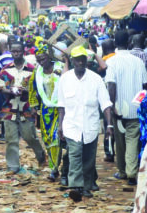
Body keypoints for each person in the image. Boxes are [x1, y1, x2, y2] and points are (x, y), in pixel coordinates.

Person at [58, 46, 113, 202]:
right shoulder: (65, 79)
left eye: (83, 59)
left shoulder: (96, 79)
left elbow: (106, 104)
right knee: (75, 154)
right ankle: (76, 186)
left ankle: (87, 187)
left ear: (87, 60)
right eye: (77, 59)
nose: (80, 62)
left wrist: (109, 125)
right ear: (73, 61)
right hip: (71, 126)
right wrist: (60, 126)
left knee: (88, 158)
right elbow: (61, 105)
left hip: (90, 126)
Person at [0, 42, 46, 174]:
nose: (16, 53)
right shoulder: (6, 69)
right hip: (9, 108)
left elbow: (37, 88)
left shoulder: (32, 69)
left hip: (27, 108)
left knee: (29, 136)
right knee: (11, 138)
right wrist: (10, 90)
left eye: (18, 51)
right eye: (13, 51)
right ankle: (13, 166)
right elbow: (0, 87)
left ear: (23, 51)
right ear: (10, 52)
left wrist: (26, 90)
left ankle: (41, 156)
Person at [106, 30, 147, 185]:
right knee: (132, 140)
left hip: (119, 108)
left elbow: (111, 86)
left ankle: (125, 172)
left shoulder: (112, 62)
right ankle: (128, 171)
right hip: (136, 108)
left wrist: (111, 107)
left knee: (121, 141)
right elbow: (145, 86)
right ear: (129, 43)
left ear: (115, 43)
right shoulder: (138, 62)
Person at [29, 44, 66, 182]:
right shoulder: (37, 72)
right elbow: (32, 88)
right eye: (38, 59)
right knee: (47, 139)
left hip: (60, 109)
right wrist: (33, 105)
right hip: (45, 111)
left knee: (56, 138)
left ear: (49, 56)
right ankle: (54, 166)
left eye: (43, 58)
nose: (41, 62)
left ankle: (55, 169)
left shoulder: (60, 67)